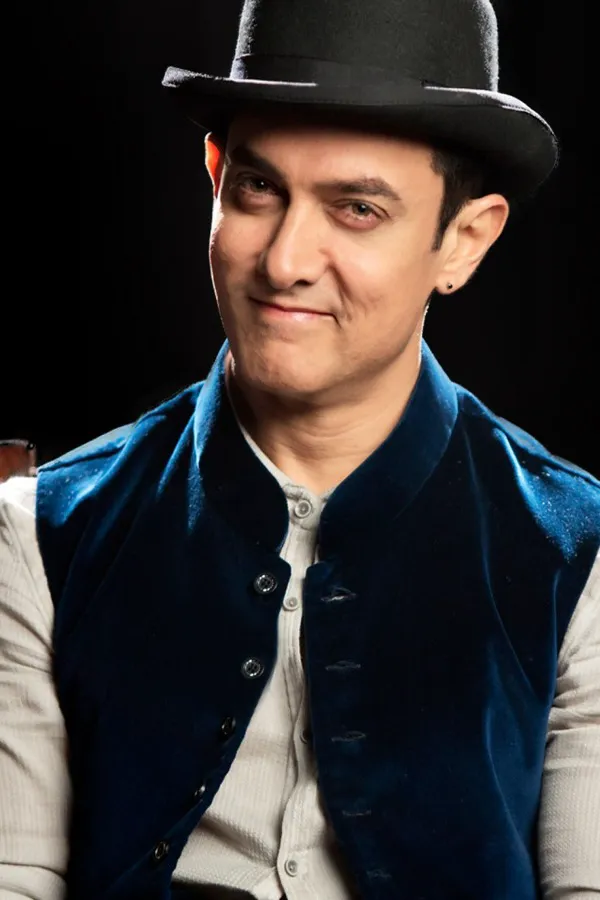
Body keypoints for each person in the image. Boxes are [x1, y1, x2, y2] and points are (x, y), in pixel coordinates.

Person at [0, 0, 598, 898]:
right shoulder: (38, 533)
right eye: (258, 188)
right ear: (215, 177)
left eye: (357, 208)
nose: (284, 262)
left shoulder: (579, 553)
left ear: (464, 241)